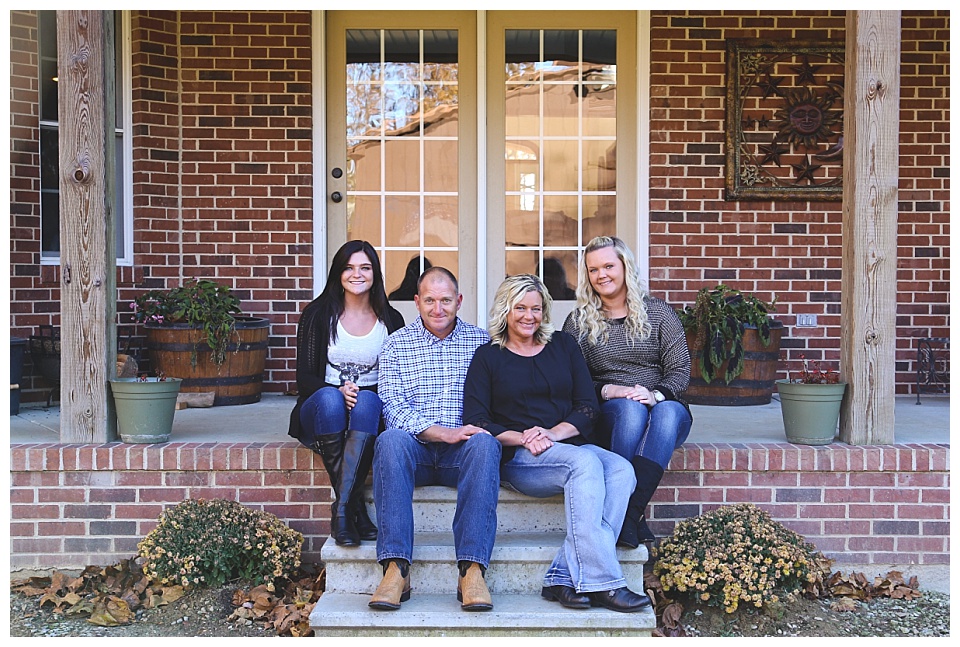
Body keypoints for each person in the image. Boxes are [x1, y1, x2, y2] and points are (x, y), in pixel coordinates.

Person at [463, 274, 651, 613]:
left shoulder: (563, 345)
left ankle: (562, 577)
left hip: (566, 443)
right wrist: (525, 438)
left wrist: (552, 433)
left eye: (536, 308)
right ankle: (602, 582)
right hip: (521, 457)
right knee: (585, 464)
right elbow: (478, 420)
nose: (529, 316)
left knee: (622, 471)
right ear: (505, 310)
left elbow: (587, 406)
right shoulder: (487, 357)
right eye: (520, 308)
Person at [369, 267, 501, 612]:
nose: (438, 308)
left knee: (486, 444)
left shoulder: (482, 342)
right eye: (429, 300)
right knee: (390, 440)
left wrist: (464, 434)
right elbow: (392, 408)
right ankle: (396, 568)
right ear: (417, 302)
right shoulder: (396, 344)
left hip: (463, 454)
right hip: (416, 451)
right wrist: (443, 432)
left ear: (459, 301)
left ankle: (471, 570)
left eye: (445, 300)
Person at [562, 236, 693, 548]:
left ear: (625, 267)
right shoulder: (579, 322)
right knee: (631, 410)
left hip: (661, 405)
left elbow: (680, 369)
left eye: (608, 266)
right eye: (593, 269)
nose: (601, 275)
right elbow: (571, 381)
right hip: (612, 411)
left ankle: (628, 511)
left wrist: (655, 395)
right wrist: (611, 390)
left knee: (668, 412)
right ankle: (631, 516)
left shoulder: (658, 313)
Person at [288, 240, 405, 547]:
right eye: (349, 268)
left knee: (368, 400)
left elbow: (395, 379)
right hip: (322, 408)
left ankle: (342, 512)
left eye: (365, 268)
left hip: (367, 412)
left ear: (375, 273)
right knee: (330, 400)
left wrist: (359, 393)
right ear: (338, 273)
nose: (357, 274)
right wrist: (338, 391)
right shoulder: (317, 314)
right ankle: (354, 508)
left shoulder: (391, 320)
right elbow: (304, 379)